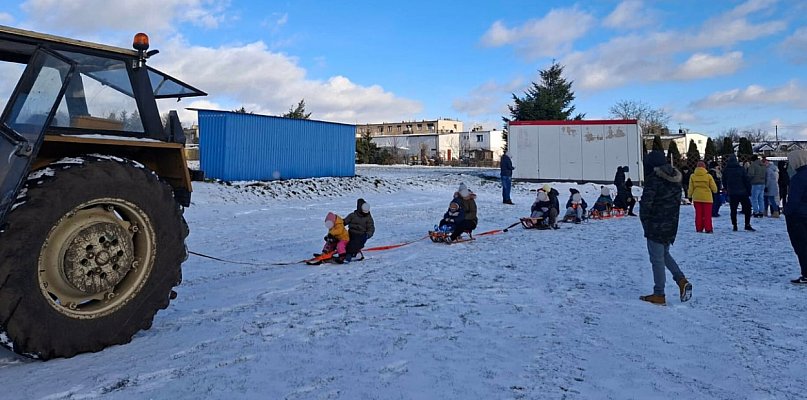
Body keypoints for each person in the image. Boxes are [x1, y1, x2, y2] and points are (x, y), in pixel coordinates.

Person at [639, 150, 692, 305]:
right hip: (671, 224)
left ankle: (659, 294)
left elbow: (646, 204)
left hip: (656, 224)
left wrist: (645, 222)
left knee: (656, 259)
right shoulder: (676, 180)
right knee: (664, 254)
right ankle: (681, 280)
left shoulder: (654, 180)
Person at [785, 150, 807, 284]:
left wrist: (787, 211)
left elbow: (794, 199)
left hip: (799, 216)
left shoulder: (798, 178)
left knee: (802, 246)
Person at [722, 155, 755, 232]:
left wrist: (727, 189)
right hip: (743, 192)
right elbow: (746, 180)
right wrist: (749, 191)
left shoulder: (726, 170)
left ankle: (735, 225)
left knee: (733, 210)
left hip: (732, 193)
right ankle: (747, 224)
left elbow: (724, 181)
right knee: (747, 208)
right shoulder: (741, 169)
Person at [687, 161, 718, 233]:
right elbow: (714, 187)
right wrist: (715, 191)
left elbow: (691, 187)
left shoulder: (692, 176)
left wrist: (689, 196)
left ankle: (699, 228)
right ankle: (708, 229)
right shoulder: (708, 176)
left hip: (697, 197)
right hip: (707, 198)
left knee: (698, 214)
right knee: (707, 215)